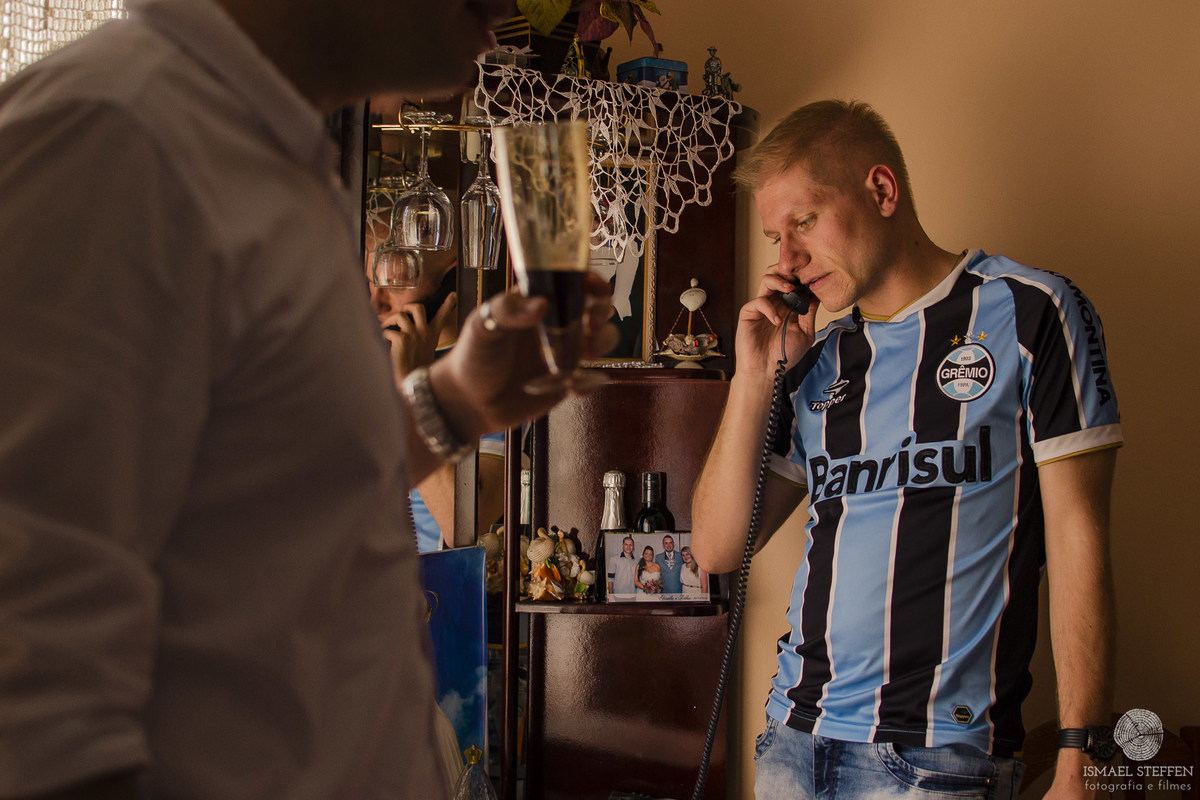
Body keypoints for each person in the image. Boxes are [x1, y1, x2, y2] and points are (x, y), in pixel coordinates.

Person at [0, 0, 618, 797]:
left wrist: (458, 399)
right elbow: (29, 688)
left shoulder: (273, 161)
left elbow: (280, 496)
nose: (517, 3)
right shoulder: (114, 138)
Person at [691, 100, 1121, 800]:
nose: (787, 260)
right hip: (792, 743)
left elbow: (1080, 536)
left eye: (804, 222)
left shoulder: (1031, 310)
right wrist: (753, 378)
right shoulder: (821, 356)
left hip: (938, 760)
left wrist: (1083, 758)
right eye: (776, 236)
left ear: (881, 191)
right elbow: (714, 549)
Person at [368, 249, 506, 552]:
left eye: (394, 280)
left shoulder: (492, 370)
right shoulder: (358, 362)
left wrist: (410, 387)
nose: (376, 302)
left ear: (451, 278)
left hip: (434, 589)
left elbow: (465, 525)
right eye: (369, 282)